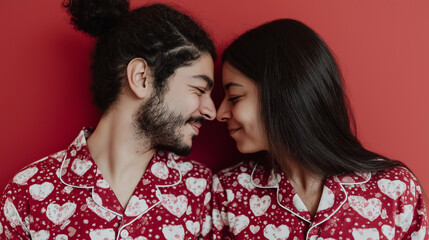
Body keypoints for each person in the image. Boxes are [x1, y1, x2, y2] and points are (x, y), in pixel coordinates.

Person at [0, 0, 216, 239]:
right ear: (141, 78)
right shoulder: (27, 193)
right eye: (198, 89)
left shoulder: (203, 191)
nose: (211, 111)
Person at [213, 19, 428, 239]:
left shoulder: (394, 188)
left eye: (234, 97)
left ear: (283, 94)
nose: (220, 113)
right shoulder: (227, 192)